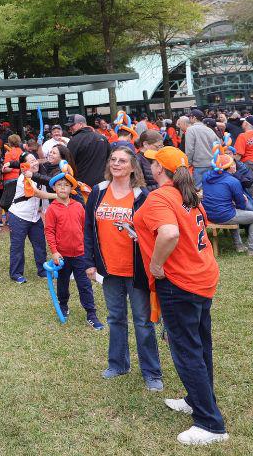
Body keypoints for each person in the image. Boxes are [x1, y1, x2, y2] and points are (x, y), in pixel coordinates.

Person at [133, 147, 228, 446]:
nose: (149, 166)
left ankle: (210, 424)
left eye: (152, 162)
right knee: (200, 345)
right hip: (201, 278)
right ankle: (197, 399)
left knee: (187, 350)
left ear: (160, 168)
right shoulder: (188, 195)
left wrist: (156, 264)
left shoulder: (161, 196)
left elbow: (170, 234)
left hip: (180, 283)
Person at [83, 149, 162, 391]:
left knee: (142, 321)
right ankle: (118, 364)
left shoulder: (142, 195)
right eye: (113, 160)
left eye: (123, 161)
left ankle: (151, 372)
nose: (117, 164)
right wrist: (89, 262)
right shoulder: (98, 191)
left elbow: (153, 230)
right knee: (115, 318)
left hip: (136, 269)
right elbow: (88, 229)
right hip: (109, 269)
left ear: (132, 167)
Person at [44, 177, 104, 330]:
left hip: (80, 254)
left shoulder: (78, 206)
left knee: (84, 285)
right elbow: (49, 231)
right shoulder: (52, 209)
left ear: (71, 189)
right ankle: (63, 306)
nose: (63, 188)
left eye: (66, 185)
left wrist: (89, 252)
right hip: (62, 257)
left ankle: (91, 314)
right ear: (54, 189)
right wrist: (55, 251)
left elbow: (86, 229)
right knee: (63, 284)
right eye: (59, 185)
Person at [7, 153, 54, 283]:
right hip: (19, 216)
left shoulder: (38, 175)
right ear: (24, 166)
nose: (35, 163)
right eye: (31, 161)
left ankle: (42, 270)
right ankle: (16, 273)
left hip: (35, 217)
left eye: (35, 160)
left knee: (40, 244)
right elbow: (37, 193)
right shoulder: (24, 178)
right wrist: (58, 195)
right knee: (17, 247)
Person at [200, 154, 253, 253]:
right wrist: (243, 198)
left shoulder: (206, 176)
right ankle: (251, 249)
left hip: (208, 215)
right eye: (233, 163)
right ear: (229, 167)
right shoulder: (233, 181)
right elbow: (241, 205)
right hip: (224, 215)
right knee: (235, 212)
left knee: (232, 210)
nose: (235, 165)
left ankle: (239, 246)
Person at [66, 114, 111, 187]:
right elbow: (109, 158)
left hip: (82, 185)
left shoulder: (74, 141)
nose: (70, 128)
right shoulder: (102, 138)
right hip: (102, 183)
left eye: (72, 126)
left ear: (81, 124)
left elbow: (69, 164)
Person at [183, 113, 220, 188]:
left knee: (199, 190)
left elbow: (189, 149)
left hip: (199, 165)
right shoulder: (209, 129)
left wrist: (188, 163)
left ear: (194, 118)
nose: (189, 119)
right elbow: (218, 144)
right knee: (212, 187)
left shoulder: (190, 129)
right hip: (212, 164)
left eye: (190, 117)